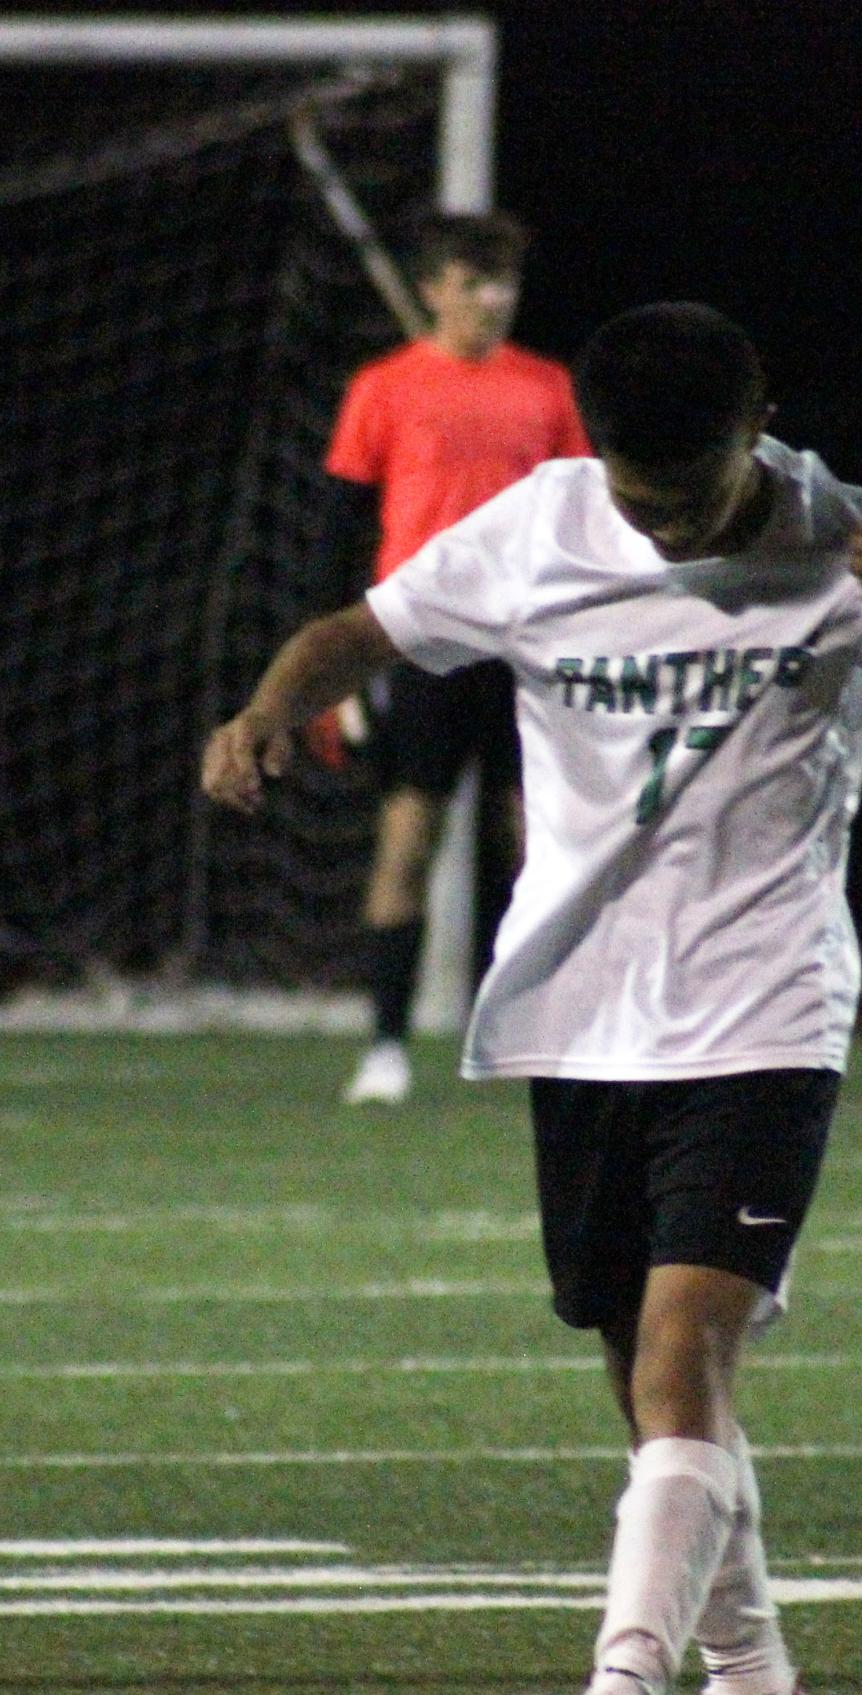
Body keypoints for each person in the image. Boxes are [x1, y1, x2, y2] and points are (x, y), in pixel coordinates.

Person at [201, 302, 862, 1695]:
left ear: (760, 427)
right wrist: (274, 704)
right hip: (580, 1018)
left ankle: (618, 1692)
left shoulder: (845, 548)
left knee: (682, 1364)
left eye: (689, 492)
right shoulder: (541, 523)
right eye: (634, 492)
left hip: (761, 1011)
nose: (657, 522)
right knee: (646, 1382)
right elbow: (364, 629)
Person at [316, 212, 591, 1106]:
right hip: (426, 642)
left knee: (541, 845)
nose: (494, 300)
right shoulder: (384, 388)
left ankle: (544, 1040)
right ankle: (387, 1048)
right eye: (476, 283)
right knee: (408, 838)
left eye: (505, 284)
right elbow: (339, 529)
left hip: (529, 647)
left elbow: (590, 521)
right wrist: (339, 675)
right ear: (435, 288)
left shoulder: (548, 387)